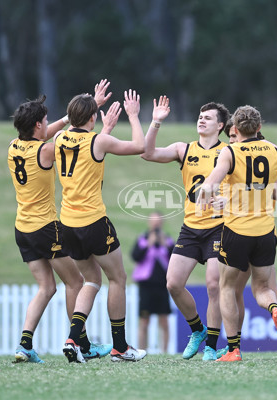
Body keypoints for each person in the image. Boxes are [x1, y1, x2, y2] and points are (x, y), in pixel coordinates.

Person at [7, 80, 113, 363]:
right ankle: (82, 344)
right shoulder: (46, 150)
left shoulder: (13, 146)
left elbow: (58, 131)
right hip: (45, 228)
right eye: (45, 120)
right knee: (76, 282)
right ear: (38, 126)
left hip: (22, 229)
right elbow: (74, 141)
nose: (48, 124)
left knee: (47, 287)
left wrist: (78, 113)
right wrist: (90, 114)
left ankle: (24, 345)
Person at [197, 105, 277, 362]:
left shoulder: (229, 151)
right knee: (263, 288)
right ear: (259, 128)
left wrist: (209, 198)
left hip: (237, 231)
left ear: (234, 129)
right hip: (266, 233)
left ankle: (234, 349)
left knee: (226, 288)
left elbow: (209, 185)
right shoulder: (272, 149)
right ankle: (273, 308)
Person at [56, 87, 147, 363]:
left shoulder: (59, 137)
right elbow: (140, 146)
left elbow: (86, 150)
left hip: (67, 224)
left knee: (91, 281)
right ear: (92, 118)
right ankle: (120, 346)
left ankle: (74, 338)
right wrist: (132, 116)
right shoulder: (99, 141)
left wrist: (96, 114)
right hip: (94, 223)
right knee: (117, 278)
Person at [140, 97, 230, 361]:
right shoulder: (184, 149)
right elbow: (147, 153)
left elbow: (247, 182)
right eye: (200, 116)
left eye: (208, 117)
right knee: (173, 283)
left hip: (218, 227)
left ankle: (212, 346)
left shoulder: (229, 151)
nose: (201, 119)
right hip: (191, 227)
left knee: (214, 286)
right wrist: (156, 122)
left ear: (220, 126)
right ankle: (197, 330)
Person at [130, 211, 174, 353]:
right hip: (146, 285)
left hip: (162, 285)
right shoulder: (142, 239)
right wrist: (149, 244)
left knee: (164, 320)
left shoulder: (168, 241)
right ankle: (142, 350)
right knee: (144, 320)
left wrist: (163, 243)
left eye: (158, 222)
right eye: (153, 222)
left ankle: (165, 351)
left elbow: (175, 258)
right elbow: (135, 256)